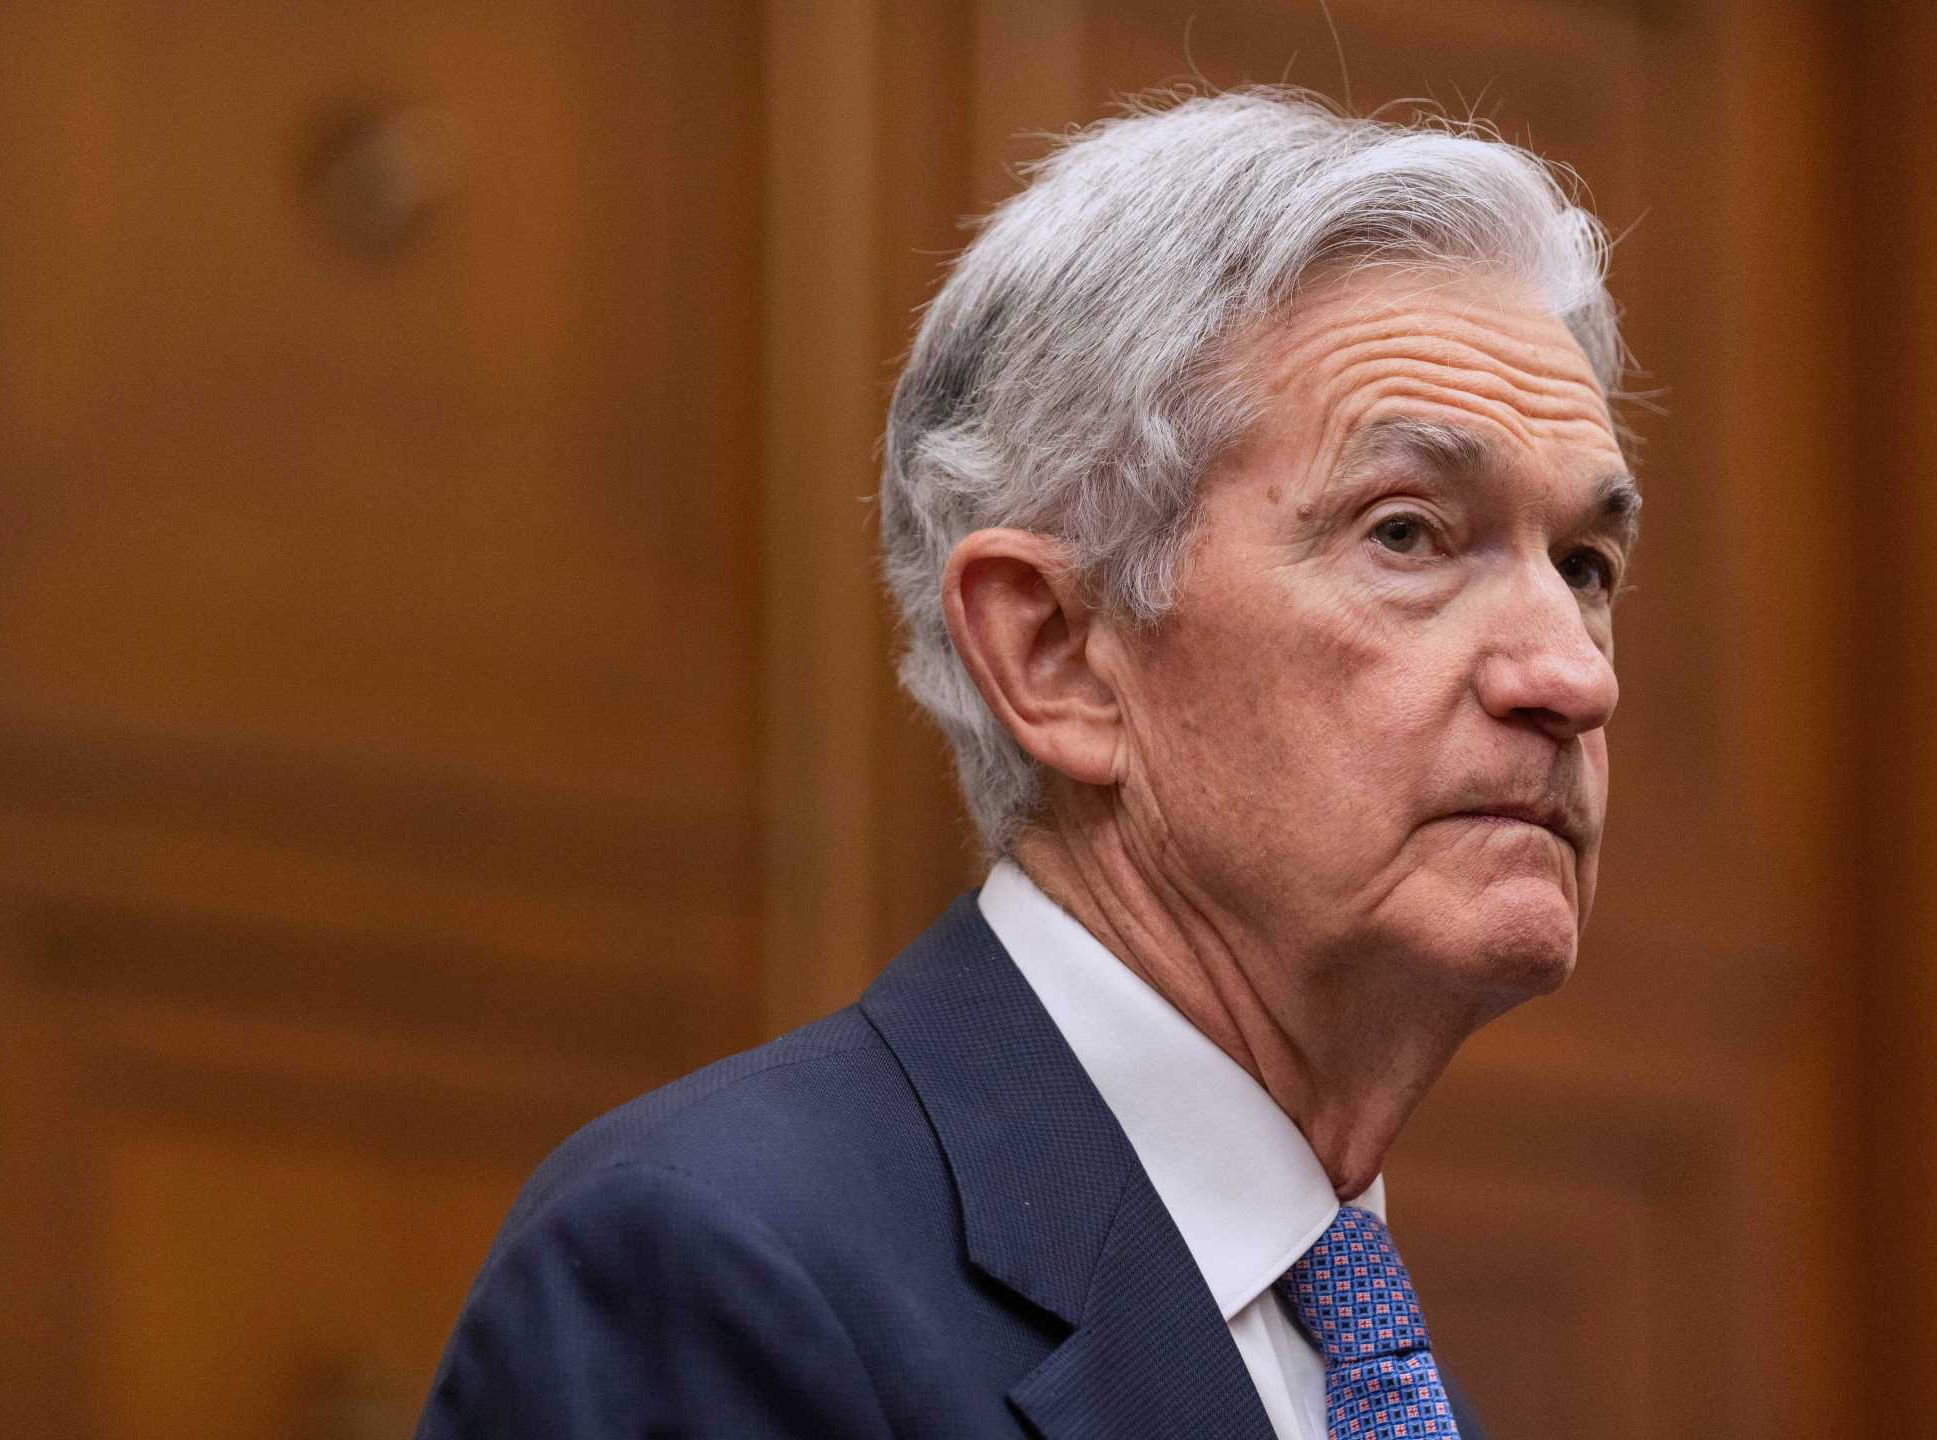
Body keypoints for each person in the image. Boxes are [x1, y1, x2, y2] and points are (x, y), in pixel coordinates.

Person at [417, 86, 1638, 1440]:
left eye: (1584, 565)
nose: (1573, 677)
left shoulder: (1389, 1389)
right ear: (1055, 654)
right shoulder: (720, 1271)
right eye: (1406, 536)